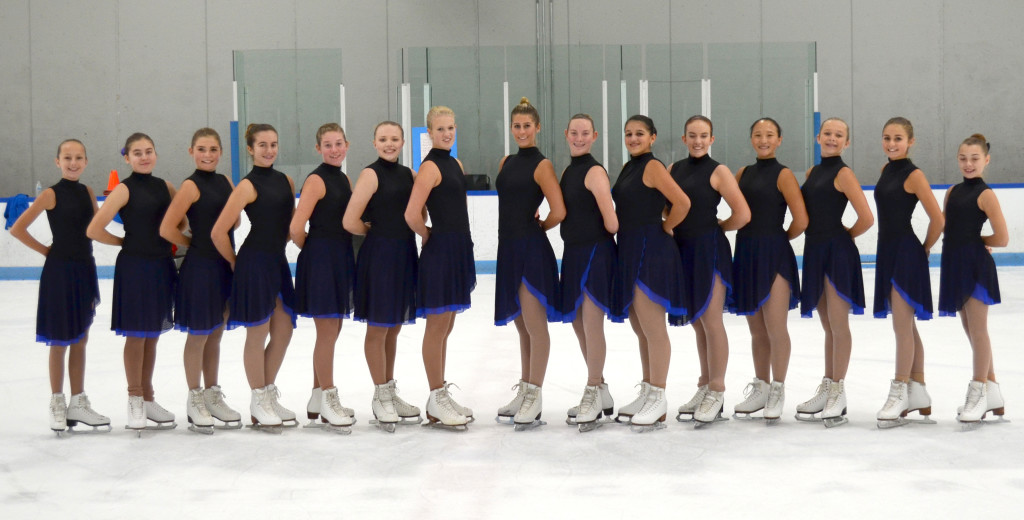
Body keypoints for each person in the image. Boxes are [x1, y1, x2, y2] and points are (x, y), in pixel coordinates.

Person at [11, 139, 110, 434]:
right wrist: (46, 252)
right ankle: (57, 401)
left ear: (86, 161)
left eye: (79, 157)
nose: (73, 162)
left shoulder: (88, 192)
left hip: (85, 268)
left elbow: (96, 228)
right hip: (59, 272)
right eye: (67, 157)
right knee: (58, 340)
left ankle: (78, 402)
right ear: (57, 162)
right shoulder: (51, 194)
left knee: (80, 338)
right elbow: (17, 228)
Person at [87, 133, 179, 432]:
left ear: (156, 154)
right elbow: (95, 228)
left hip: (161, 265)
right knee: (137, 335)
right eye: (137, 153)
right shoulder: (123, 188)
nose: (144, 157)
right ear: (127, 158)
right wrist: (125, 241)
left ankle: (148, 396)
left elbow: (182, 219)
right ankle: (134, 398)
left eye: (149, 151)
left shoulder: (166, 187)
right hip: (135, 267)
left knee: (152, 333)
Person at [212, 123, 297, 429]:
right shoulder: (246, 186)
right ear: (250, 149)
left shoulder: (285, 180)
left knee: (284, 330)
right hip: (254, 261)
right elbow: (218, 231)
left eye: (273, 144)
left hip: (276, 261)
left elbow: (285, 224)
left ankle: (268, 393)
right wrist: (236, 263)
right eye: (262, 145)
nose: (269, 150)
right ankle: (257, 398)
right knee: (258, 332)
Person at [159, 128, 243, 433]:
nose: (208, 155)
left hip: (224, 264)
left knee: (216, 333)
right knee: (198, 334)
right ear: (191, 151)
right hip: (201, 268)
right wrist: (193, 244)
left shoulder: (224, 182)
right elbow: (168, 228)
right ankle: (194, 398)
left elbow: (236, 219)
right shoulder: (191, 186)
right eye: (202, 149)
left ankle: (212, 393)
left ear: (221, 152)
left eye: (213, 149)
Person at [668, 115, 750, 425]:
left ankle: (717, 389)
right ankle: (705, 384)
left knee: (712, 321)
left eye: (703, 135)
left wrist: (717, 228)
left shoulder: (719, 171)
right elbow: (667, 205)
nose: (698, 140)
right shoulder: (674, 169)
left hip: (710, 251)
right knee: (698, 322)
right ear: (684, 138)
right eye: (692, 135)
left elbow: (742, 214)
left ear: (712, 139)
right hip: (684, 251)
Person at [610, 115, 690, 432]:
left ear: (652, 137)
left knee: (653, 329)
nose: (633, 138)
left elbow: (682, 202)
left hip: (650, 251)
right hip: (629, 249)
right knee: (641, 328)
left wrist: (666, 226)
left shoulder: (653, 167)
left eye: (639, 133)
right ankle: (647, 390)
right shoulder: (630, 166)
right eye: (629, 133)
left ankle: (658, 397)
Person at [343, 121, 422, 431]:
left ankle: (389, 388)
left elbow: (418, 212)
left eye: (394, 139)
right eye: (383, 139)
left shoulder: (408, 175)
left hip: (404, 254)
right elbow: (351, 220)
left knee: (393, 328)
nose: (389, 144)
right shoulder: (370, 174)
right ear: (374, 143)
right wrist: (376, 234)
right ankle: (380, 395)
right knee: (378, 329)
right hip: (379, 257)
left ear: (403, 142)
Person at [794, 118, 874, 427]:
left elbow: (866, 218)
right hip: (815, 250)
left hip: (836, 253)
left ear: (846, 142)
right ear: (818, 137)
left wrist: (845, 236)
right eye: (827, 133)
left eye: (838, 135)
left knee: (838, 325)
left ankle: (838, 391)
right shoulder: (814, 172)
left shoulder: (844, 173)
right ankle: (828, 384)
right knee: (827, 325)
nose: (832, 138)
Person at [492, 98, 565, 430]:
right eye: (516, 126)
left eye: (527, 126)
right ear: (511, 128)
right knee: (522, 326)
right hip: (507, 248)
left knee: (535, 326)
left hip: (530, 250)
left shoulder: (543, 164)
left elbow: (558, 210)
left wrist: (540, 228)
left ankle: (535, 395)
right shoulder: (506, 161)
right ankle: (525, 388)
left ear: (537, 128)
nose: (521, 131)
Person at [730, 118, 807, 423]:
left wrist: (776, 240)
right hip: (746, 253)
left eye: (769, 135)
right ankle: (760, 386)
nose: (763, 140)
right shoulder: (742, 174)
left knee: (775, 328)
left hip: (773, 254)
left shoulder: (784, 174)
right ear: (751, 139)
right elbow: (735, 210)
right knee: (756, 330)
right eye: (758, 135)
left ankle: (777, 387)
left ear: (779, 140)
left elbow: (800, 220)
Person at [404, 106, 476, 429]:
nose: (446, 133)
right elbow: (411, 213)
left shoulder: (455, 164)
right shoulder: (430, 167)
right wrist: (427, 234)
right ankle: (434, 394)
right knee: (436, 327)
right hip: (440, 251)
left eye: (450, 128)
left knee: (446, 326)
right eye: (440, 129)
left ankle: (440, 394)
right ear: (429, 133)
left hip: (459, 248)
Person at [872, 117, 943, 428]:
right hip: (888, 252)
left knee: (902, 326)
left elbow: (938, 219)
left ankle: (901, 387)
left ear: (910, 141)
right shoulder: (886, 170)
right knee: (908, 327)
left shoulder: (914, 175)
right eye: (887, 138)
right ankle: (919, 391)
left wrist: (924, 249)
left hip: (904, 253)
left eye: (898, 138)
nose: (891, 144)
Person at [288, 123, 358, 432]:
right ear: (318, 149)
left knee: (333, 329)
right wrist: (317, 252)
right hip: (321, 262)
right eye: (327, 145)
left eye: (338, 143)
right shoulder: (316, 180)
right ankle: (328, 398)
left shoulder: (343, 178)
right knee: (327, 332)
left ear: (347, 144)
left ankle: (318, 397)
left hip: (339, 259)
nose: (334, 149)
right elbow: (295, 228)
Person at [939, 133, 1009, 426]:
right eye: (963, 158)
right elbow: (949, 228)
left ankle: (979, 388)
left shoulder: (986, 194)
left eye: (975, 159)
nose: (968, 164)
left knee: (978, 329)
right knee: (969, 327)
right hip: (954, 263)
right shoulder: (952, 191)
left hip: (976, 265)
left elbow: (1003, 237)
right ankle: (992, 391)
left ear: (986, 160)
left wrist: (978, 240)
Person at [559, 114, 618, 430]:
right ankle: (601, 390)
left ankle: (593, 388)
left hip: (595, 252)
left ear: (595, 135)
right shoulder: (569, 170)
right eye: (574, 133)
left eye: (585, 133)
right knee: (579, 324)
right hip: (574, 254)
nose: (579, 138)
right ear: (566, 134)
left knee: (592, 324)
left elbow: (612, 222)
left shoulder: (595, 172)